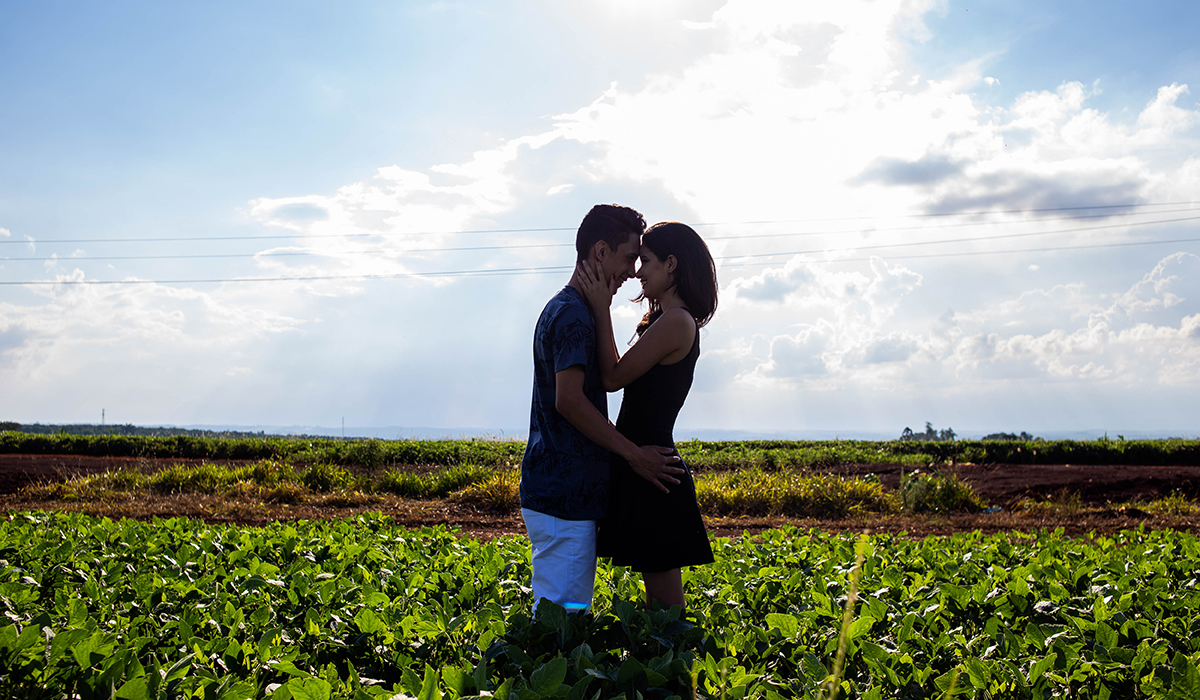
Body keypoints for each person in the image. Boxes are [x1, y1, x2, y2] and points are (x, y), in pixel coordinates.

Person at [520, 204, 685, 614]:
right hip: (564, 495)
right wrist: (633, 454)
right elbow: (569, 400)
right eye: (629, 258)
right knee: (563, 621)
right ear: (599, 252)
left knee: (562, 616)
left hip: (561, 491)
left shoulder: (565, 306)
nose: (632, 271)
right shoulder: (575, 314)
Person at [577, 221, 718, 610]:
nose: (638, 271)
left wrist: (601, 308)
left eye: (646, 260)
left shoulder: (676, 321)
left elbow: (612, 377)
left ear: (671, 264)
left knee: (667, 612)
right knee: (659, 610)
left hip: (654, 469)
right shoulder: (665, 319)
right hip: (645, 464)